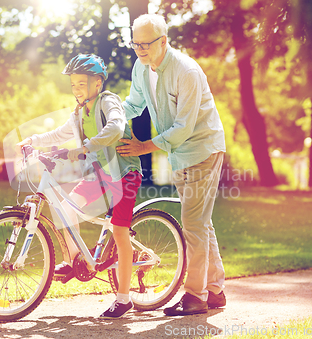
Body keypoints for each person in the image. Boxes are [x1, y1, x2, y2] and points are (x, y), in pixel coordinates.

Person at [16, 54, 142, 319]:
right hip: (100, 175)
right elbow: (61, 133)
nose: (76, 90)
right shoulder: (79, 112)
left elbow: (117, 126)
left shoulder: (108, 101)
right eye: (73, 85)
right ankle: (77, 262)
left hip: (124, 173)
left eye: (81, 84)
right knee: (66, 209)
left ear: (97, 83)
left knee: (119, 232)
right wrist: (34, 139)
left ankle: (124, 298)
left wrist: (86, 147)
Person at [116, 14, 227, 316]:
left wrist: (144, 147)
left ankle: (195, 297)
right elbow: (134, 104)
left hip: (202, 150)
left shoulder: (186, 71)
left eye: (146, 44)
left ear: (163, 41)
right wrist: (108, 115)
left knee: (193, 225)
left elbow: (183, 128)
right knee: (201, 223)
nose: (140, 50)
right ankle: (215, 290)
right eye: (135, 43)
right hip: (179, 154)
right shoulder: (141, 67)